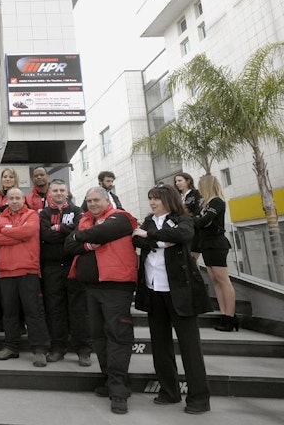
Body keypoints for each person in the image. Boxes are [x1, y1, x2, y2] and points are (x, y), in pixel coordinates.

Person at [132, 184, 212, 415]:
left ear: (169, 200)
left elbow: (183, 235)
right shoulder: (148, 221)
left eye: (156, 198)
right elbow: (136, 241)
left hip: (180, 292)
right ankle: (169, 392)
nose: (152, 202)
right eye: (150, 198)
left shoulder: (183, 219)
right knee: (160, 345)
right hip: (153, 289)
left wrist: (150, 236)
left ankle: (199, 398)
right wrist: (158, 239)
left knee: (190, 347)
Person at [65, 187, 138, 415]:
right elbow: (68, 246)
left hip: (116, 287)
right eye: (89, 201)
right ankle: (110, 381)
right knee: (98, 337)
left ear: (107, 200)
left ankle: (119, 391)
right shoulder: (85, 220)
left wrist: (80, 236)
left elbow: (103, 233)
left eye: (96, 200)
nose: (92, 204)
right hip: (91, 288)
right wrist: (87, 243)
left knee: (117, 336)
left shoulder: (120, 218)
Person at [0, 188, 51, 366]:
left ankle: (39, 349)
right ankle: (11, 347)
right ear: (6, 201)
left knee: (34, 312)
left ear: (24, 199)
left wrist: (6, 231)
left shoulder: (32, 215)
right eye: (11, 198)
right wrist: (18, 234)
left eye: (18, 198)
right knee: (9, 313)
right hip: (5, 272)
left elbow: (28, 232)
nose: (14, 201)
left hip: (27, 270)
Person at [38, 179, 91, 366]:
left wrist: (58, 228)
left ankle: (83, 349)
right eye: (55, 190)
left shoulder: (77, 211)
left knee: (79, 308)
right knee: (55, 308)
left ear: (67, 192)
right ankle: (58, 347)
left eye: (62, 190)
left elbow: (80, 230)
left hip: (73, 264)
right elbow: (45, 234)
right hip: (51, 267)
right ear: (49, 193)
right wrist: (67, 233)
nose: (59, 193)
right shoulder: (44, 213)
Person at [196, 174, 237, 332]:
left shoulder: (217, 202)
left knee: (222, 279)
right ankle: (224, 313)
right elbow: (200, 221)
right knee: (215, 279)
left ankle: (230, 316)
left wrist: (194, 221)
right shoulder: (204, 204)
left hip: (217, 242)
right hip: (206, 242)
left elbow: (204, 221)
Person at [175, 172, 202, 257]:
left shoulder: (196, 193)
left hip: (193, 229)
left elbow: (198, 210)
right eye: (176, 181)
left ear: (188, 181)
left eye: (180, 180)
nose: (177, 183)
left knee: (192, 258)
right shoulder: (177, 197)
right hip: (180, 230)